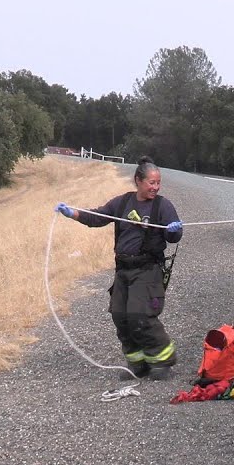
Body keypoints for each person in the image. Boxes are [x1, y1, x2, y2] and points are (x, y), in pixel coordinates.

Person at [56, 157, 183, 379]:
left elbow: (174, 236)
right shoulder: (122, 203)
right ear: (138, 181)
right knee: (120, 316)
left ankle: (162, 362)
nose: (155, 187)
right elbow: (97, 217)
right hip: (123, 270)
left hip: (148, 270)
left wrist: (173, 230)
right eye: (151, 183)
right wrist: (72, 213)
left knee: (139, 315)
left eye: (158, 183)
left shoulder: (163, 206)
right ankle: (137, 363)